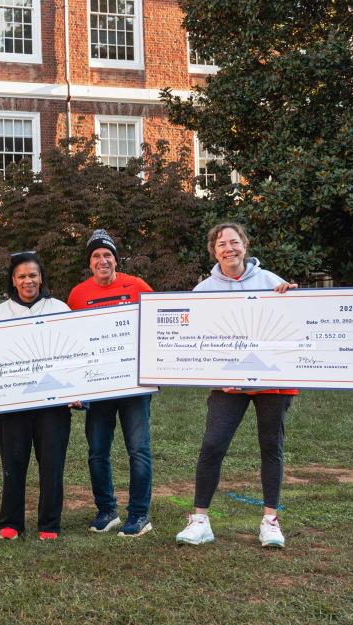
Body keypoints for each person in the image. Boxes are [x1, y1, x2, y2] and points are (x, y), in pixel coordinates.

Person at [176, 222, 298, 548]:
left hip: (272, 381)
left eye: (234, 242)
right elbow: (189, 335)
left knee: (271, 446)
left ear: (245, 244)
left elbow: (292, 323)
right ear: (213, 252)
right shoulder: (203, 290)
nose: (228, 248)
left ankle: (270, 521)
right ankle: (200, 519)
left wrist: (295, 300)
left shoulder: (270, 281)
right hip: (226, 385)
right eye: (221, 244)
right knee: (213, 445)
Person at [67, 229, 155, 537]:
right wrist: (75, 387)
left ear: (115, 259)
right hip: (98, 387)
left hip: (133, 386)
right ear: (89, 263)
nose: (102, 260)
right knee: (97, 451)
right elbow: (73, 344)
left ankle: (140, 514)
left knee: (138, 450)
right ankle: (107, 510)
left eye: (107, 255)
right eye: (95, 256)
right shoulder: (78, 294)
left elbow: (156, 326)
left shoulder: (137, 286)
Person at [0, 252, 71, 540]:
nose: (28, 281)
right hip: (13, 403)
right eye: (21, 276)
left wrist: (75, 390)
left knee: (52, 465)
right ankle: (11, 523)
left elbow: (71, 355)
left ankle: (49, 524)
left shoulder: (60, 308)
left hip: (53, 404)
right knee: (13, 464)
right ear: (13, 280)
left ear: (41, 277)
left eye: (33, 275)